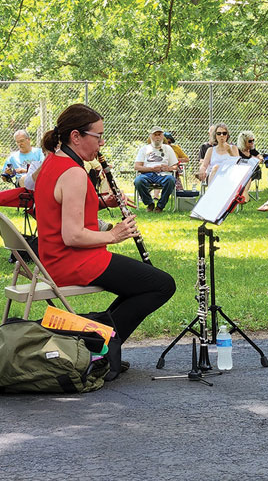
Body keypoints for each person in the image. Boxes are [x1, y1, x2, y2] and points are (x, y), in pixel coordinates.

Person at [34, 104, 175, 377]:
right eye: (97, 136)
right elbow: (72, 235)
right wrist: (113, 235)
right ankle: (98, 347)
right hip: (73, 260)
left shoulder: (51, 163)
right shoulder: (74, 173)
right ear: (76, 136)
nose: (102, 142)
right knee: (161, 284)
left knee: (142, 283)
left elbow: (60, 209)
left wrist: (100, 203)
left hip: (53, 258)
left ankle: (100, 342)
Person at [134, 126, 179, 212]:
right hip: (147, 174)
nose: (157, 137)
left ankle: (160, 206)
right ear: (151, 136)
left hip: (164, 174)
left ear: (163, 137)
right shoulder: (144, 149)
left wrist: (168, 168)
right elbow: (137, 167)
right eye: (155, 135)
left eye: (159, 134)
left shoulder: (168, 149)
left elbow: (175, 167)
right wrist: (151, 169)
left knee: (171, 180)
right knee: (138, 181)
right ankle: (149, 203)